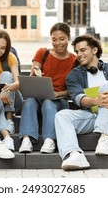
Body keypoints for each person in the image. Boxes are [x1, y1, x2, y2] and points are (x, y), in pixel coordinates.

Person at [55, 34, 108, 171]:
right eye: (77, 52)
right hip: (91, 116)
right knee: (61, 115)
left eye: (83, 50)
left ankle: (104, 137)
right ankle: (74, 154)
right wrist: (96, 101)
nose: (79, 54)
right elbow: (78, 98)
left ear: (94, 50)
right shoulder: (74, 75)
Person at [18, 23, 77, 154]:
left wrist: (59, 94)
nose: (58, 43)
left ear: (68, 38)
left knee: (49, 103)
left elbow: (73, 91)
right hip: (39, 96)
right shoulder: (43, 53)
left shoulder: (74, 61)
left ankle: (49, 139)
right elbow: (33, 73)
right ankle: (26, 139)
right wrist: (35, 73)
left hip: (59, 100)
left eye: (62, 39)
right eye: (54, 39)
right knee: (29, 102)